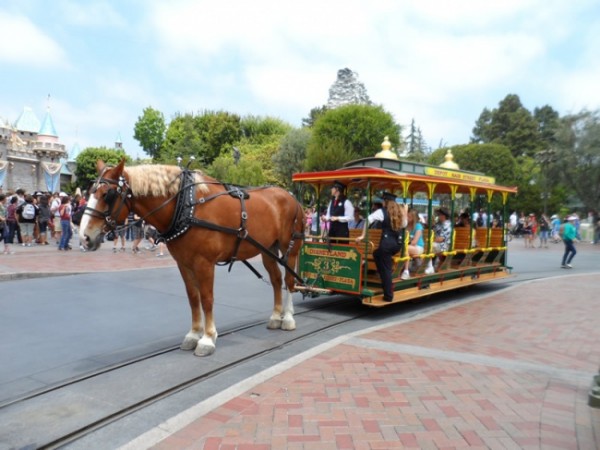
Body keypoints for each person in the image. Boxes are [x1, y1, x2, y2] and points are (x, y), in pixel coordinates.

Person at [356, 192, 407, 302]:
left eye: (383, 201)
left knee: (386, 269)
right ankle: (382, 273)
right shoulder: (399, 212)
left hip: (386, 246)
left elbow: (368, 219)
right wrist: (405, 212)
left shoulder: (382, 211)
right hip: (396, 245)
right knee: (376, 254)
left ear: (386, 201)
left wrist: (363, 235)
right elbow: (404, 225)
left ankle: (388, 296)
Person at [400, 208, 424, 280]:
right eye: (407, 216)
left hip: (418, 247)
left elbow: (414, 242)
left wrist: (406, 241)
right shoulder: (406, 226)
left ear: (413, 218)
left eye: (409, 217)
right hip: (409, 246)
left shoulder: (418, 226)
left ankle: (406, 271)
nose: (407, 218)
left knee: (405, 248)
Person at [430, 206, 452, 271]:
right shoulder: (438, 224)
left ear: (443, 215)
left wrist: (430, 240)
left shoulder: (447, 225)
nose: (438, 216)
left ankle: (429, 266)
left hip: (444, 245)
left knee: (430, 246)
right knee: (426, 246)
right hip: (437, 244)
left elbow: (441, 239)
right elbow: (433, 232)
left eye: (439, 215)